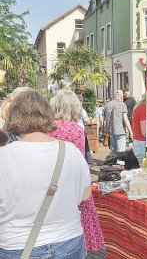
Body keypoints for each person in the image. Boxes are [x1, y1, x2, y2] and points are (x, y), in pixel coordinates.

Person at [0, 90, 91, 258]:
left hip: (17, 244)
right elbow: (85, 196)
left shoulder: (4, 156)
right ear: (48, 114)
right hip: (68, 240)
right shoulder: (71, 151)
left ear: (14, 116)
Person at [48, 90, 104, 253]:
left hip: (50, 182)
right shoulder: (76, 130)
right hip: (71, 184)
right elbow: (78, 162)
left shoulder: (46, 128)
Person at [103, 90, 133, 154]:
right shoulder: (122, 105)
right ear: (121, 96)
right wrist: (130, 131)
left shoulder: (107, 105)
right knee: (121, 151)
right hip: (120, 131)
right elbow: (125, 119)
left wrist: (104, 130)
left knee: (113, 150)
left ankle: (112, 162)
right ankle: (119, 163)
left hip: (110, 131)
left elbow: (103, 118)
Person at [76, 95, 96, 165]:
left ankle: (85, 161)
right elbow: (88, 122)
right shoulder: (82, 110)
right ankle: (88, 162)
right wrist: (90, 120)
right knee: (85, 146)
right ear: (81, 102)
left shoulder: (71, 110)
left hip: (72, 131)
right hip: (81, 131)